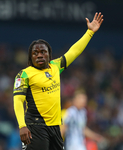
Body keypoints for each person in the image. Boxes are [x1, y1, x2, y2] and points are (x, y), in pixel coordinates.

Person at [13, 12, 104, 150]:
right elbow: (18, 101)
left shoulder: (55, 67)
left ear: (49, 54)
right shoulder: (24, 74)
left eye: (43, 52)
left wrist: (89, 32)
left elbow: (74, 51)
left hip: (55, 127)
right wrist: (22, 126)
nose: (39, 55)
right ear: (30, 57)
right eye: (35, 53)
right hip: (35, 126)